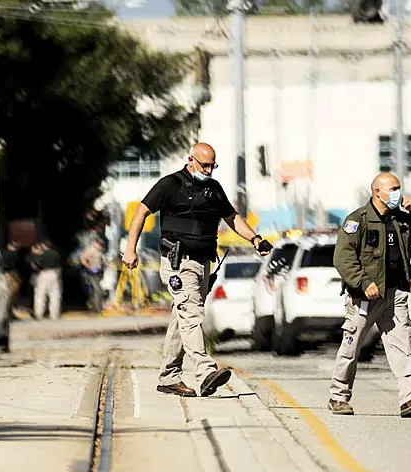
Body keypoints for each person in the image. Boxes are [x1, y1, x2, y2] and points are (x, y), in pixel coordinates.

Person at [122, 142, 273, 398]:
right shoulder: (170, 185)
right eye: (205, 165)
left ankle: (168, 376)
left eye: (213, 166)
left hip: (203, 263)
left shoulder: (213, 189)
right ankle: (205, 372)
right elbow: (141, 212)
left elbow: (232, 217)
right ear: (190, 159)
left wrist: (255, 239)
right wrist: (130, 249)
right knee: (192, 315)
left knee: (181, 317)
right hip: (178, 263)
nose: (209, 170)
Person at [329, 172, 411, 418]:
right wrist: (363, 281)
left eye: (399, 188)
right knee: (352, 346)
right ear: (377, 191)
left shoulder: (401, 219)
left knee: (402, 347)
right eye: (393, 189)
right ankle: (338, 396)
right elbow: (343, 258)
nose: (398, 193)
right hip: (365, 297)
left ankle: (410, 396)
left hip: (395, 293)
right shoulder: (357, 221)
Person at [31, 240, 62, 320]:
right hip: (54, 274)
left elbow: (35, 265)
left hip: (43, 274)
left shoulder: (42, 255)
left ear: (44, 246)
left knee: (40, 295)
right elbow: (59, 263)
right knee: (54, 295)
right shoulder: (56, 254)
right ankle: (54, 315)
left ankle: (38, 314)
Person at [80, 238, 106, 312]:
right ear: (95, 243)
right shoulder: (90, 250)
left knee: (98, 290)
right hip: (93, 272)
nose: (100, 245)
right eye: (99, 243)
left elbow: (101, 261)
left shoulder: (100, 250)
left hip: (99, 272)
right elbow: (83, 258)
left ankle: (96, 307)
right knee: (97, 290)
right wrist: (89, 268)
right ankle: (96, 308)